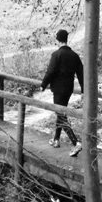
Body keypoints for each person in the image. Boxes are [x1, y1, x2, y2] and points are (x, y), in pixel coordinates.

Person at [41, 29, 83, 157]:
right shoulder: (74, 56)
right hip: (68, 89)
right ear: (66, 39)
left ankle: (76, 143)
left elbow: (50, 71)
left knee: (60, 115)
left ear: (58, 40)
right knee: (61, 113)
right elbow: (81, 74)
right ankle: (56, 140)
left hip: (58, 89)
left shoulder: (56, 54)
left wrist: (43, 84)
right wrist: (83, 90)